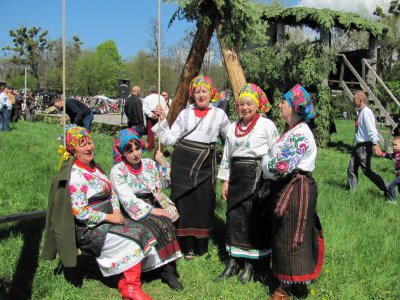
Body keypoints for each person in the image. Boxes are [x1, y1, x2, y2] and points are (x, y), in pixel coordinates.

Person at [42, 125, 182, 300]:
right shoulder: (76, 175)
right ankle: (132, 287)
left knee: (147, 229)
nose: (89, 147)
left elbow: (112, 193)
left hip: (111, 215)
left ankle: (132, 282)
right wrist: (111, 216)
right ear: (72, 150)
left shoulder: (94, 168)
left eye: (89, 142)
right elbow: (81, 213)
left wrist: (115, 210)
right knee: (137, 234)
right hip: (90, 226)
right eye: (82, 145)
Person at [153, 75, 231, 259]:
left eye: (204, 91)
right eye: (197, 92)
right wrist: (162, 120)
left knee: (203, 203)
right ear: (192, 94)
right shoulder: (185, 113)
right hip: (182, 163)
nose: (201, 95)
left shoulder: (219, 114)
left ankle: (200, 246)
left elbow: (231, 138)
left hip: (205, 164)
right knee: (184, 203)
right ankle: (184, 246)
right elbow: (170, 139)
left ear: (211, 93)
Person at [261, 84, 324, 299]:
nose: (279, 104)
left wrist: (263, 163)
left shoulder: (300, 134)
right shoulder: (292, 130)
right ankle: (296, 284)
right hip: (291, 186)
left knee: (292, 236)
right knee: (287, 234)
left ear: (295, 108)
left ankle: (284, 288)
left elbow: (278, 167)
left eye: (284, 102)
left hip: (296, 190)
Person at [216, 83, 278, 283]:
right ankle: (233, 261)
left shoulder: (267, 125)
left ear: (258, 104)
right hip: (236, 176)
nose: (245, 107)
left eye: (249, 103)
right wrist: (225, 181)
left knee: (252, 218)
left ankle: (251, 265)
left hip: (257, 176)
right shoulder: (233, 127)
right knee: (233, 216)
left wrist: (270, 179)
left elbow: (275, 152)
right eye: (241, 104)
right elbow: (227, 155)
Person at [110, 128, 183, 290]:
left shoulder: (149, 164)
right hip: (133, 209)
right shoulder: (118, 171)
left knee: (168, 219)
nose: (136, 154)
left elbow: (164, 184)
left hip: (152, 202)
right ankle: (163, 269)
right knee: (160, 222)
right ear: (122, 153)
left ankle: (168, 268)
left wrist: (163, 163)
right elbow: (127, 198)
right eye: (130, 151)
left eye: (137, 148)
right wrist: (154, 211)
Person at [347, 91, 388, 196]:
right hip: (358, 146)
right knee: (351, 169)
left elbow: (371, 129)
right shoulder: (360, 112)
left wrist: (375, 144)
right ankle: (353, 193)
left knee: (367, 171)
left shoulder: (366, 112)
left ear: (360, 100)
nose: (353, 102)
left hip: (365, 146)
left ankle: (387, 188)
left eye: (354, 100)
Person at [143, 86, 168, 151]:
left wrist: (151, 115)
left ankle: (150, 148)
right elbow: (164, 108)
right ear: (156, 91)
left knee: (150, 132)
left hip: (151, 115)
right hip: (159, 114)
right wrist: (161, 115)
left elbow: (145, 109)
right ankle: (161, 147)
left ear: (150, 91)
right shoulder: (161, 97)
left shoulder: (147, 98)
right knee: (161, 131)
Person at [381, 136, 400, 203]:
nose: (394, 147)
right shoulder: (396, 154)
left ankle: (393, 200)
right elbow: (390, 156)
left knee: (391, 186)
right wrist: (381, 154)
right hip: (397, 175)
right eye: (393, 145)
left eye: (395, 145)